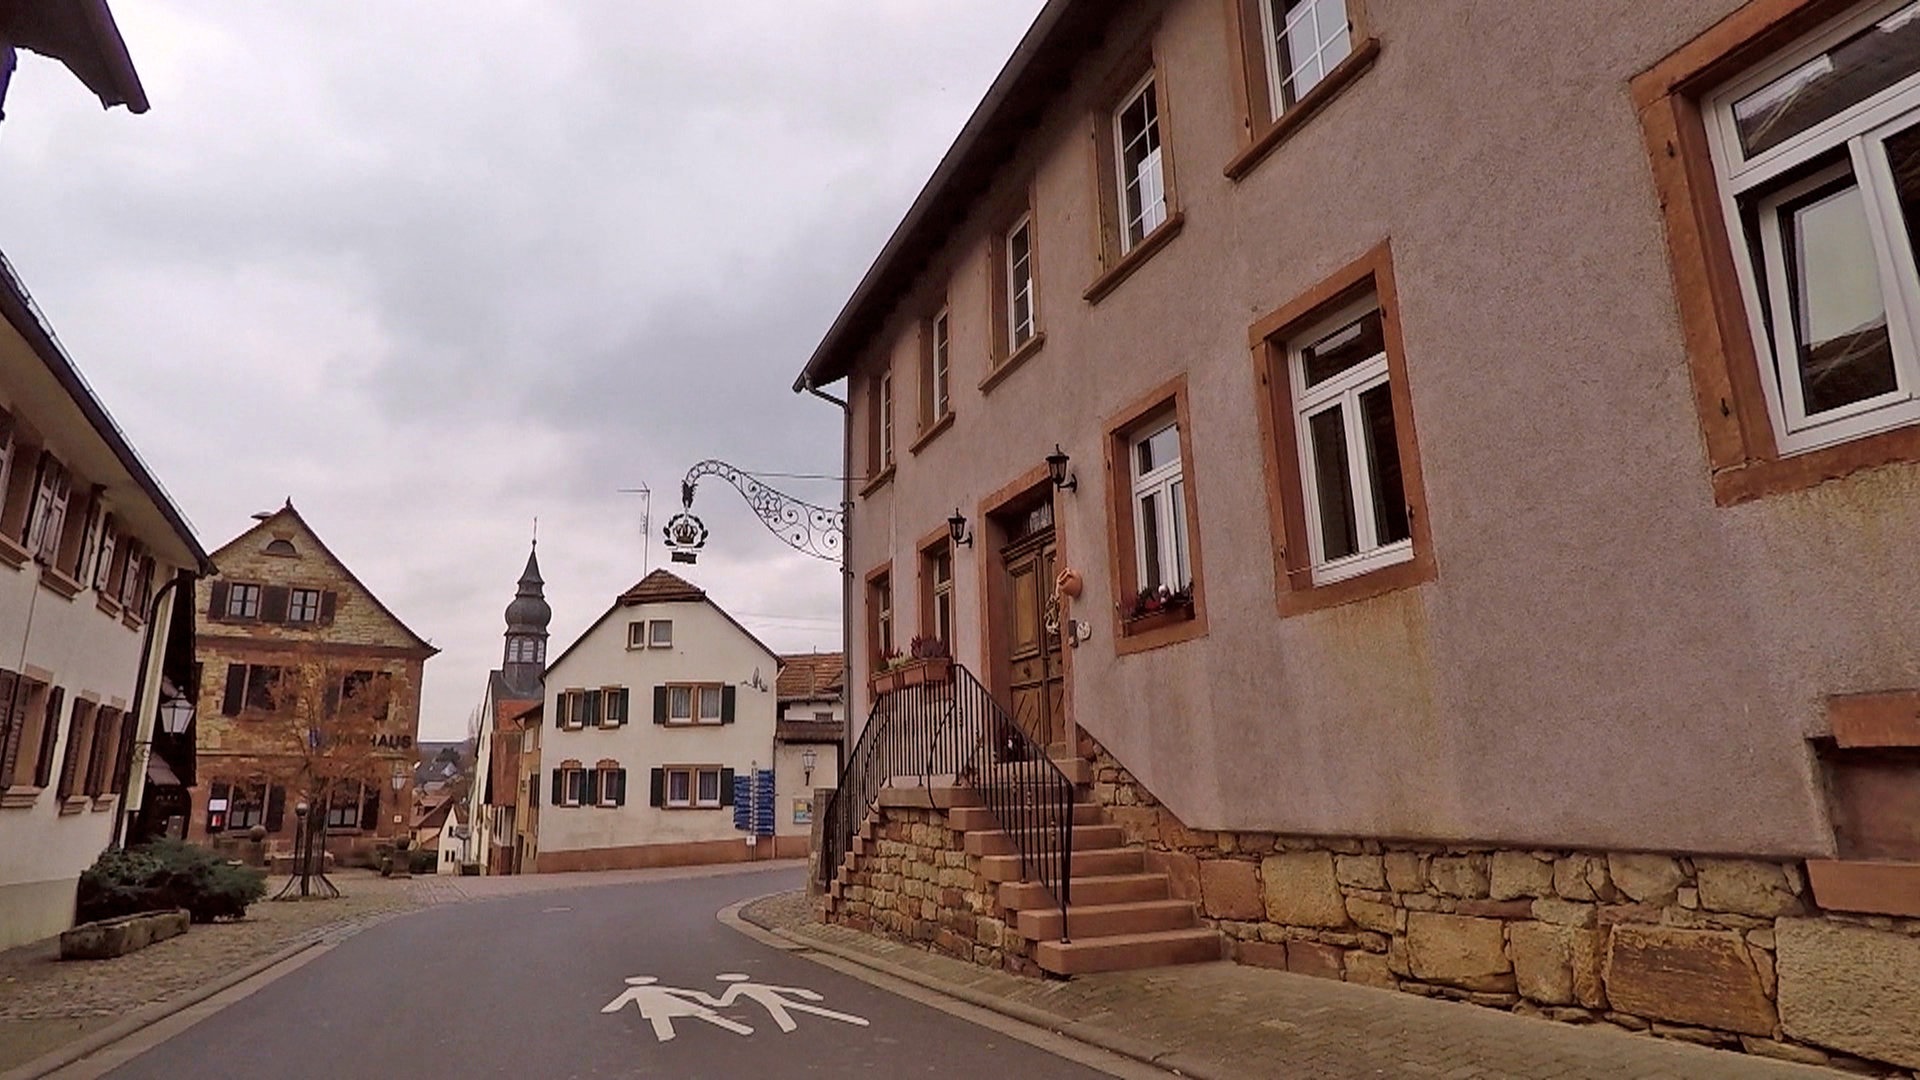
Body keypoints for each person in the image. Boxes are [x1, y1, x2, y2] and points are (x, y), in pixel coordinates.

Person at [600, 976, 753, 1042]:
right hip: (673, 1003)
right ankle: (740, 1028)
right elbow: (683, 992)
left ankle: (666, 1037)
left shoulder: (634, 990)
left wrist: (611, 1008)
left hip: (659, 1006)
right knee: (704, 1015)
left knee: (660, 1019)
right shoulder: (647, 989)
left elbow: (621, 1000)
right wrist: (706, 998)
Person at [710, 973, 870, 1033]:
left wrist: (701, 998)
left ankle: (788, 1027)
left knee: (796, 1008)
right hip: (775, 1000)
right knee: (801, 1008)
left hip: (775, 1000)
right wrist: (799, 992)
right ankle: (850, 1019)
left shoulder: (736, 986)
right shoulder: (738, 986)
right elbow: (779, 988)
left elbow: (724, 1002)